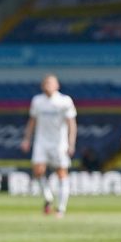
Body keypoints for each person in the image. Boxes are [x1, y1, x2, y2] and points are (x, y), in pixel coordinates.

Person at [20, 74, 77, 217]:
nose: (48, 85)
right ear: (42, 86)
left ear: (57, 86)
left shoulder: (64, 101)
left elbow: (71, 123)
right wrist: (27, 139)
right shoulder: (37, 101)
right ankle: (48, 197)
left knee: (61, 173)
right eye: (46, 83)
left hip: (59, 143)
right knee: (38, 171)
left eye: (51, 83)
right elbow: (32, 121)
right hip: (41, 142)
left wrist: (71, 143)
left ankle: (61, 208)